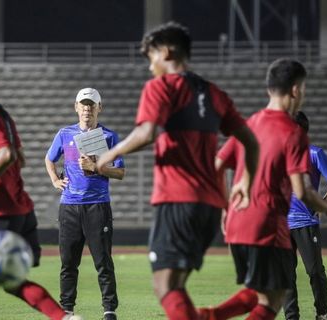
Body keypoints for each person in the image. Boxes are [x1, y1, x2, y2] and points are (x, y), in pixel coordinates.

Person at [96, 21, 259, 320]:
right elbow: (250, 141)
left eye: (151, 58)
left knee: (164, 284)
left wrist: (110, 153)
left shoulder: (162, 87)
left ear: (167, 52)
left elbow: (147, 133)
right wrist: (245, 182)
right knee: (177, 286)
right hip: (210, 206)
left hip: (177, 200)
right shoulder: (215, 94)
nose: (150, 68)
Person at [206, 58, 327, 320]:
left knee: (270, 292)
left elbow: (216, 167)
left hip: (246, 224)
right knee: (272, 296)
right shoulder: (292, 136)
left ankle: (207, 315)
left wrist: (226, 209)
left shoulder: (249, 125)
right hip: (274, 223)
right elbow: (301, 190)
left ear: (269, 89)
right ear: (295, 90)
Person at [0, 57, 81, 320]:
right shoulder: (2, 114)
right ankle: (65, 318)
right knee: (10, 280)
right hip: (20, 208)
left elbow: (6, 154)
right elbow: (18, 158)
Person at [45, 87, 125, 320]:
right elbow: (50, 159)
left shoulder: (109, 136)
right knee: (68, 263)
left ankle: (109, 310)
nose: (87, 108)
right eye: (83, 104)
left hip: (98, 206)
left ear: (99, 108)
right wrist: (55, 180)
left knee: (103, 262)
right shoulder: (64, 134)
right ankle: (67, 309)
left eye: (92, 104)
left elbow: (120, 172)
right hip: (69, 206)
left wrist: (97, 168)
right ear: (76, 107)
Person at [283, 111, 327, 320]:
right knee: (286, 274)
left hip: (306, 222)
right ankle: (291, 317)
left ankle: (322, 313)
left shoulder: (314, 154)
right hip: (281, 224)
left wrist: (322, 205)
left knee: (315, 271)